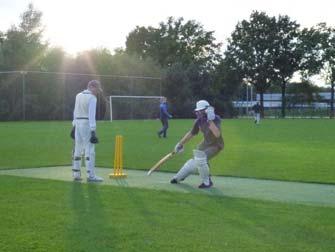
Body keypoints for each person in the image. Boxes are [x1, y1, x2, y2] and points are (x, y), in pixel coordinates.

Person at [170, 100, 224, 189]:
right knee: (195, 160)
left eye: (200, 110)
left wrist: (210, 121)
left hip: (216, 144)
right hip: (205, 143)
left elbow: (217, 134)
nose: (198, 112)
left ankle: (207, 182)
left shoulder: (215, 118)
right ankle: (179, 177)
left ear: (206, 110)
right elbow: (192, 133)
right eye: (197, 111)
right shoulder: (199, 120)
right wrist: (180, 144)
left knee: (201, 158)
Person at [70, 80, 103, 182]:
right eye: (97, 89)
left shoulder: (78, 95)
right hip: (87, 124)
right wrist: (93, 130)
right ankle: (91, 175)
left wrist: (74, 125)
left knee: (78, 148)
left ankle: (76, 174)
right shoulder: (92, 98)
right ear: (92, 87)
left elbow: (75, 111)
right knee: (90, 150)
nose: (97, 91)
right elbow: (91, 115)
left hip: (78, 123)